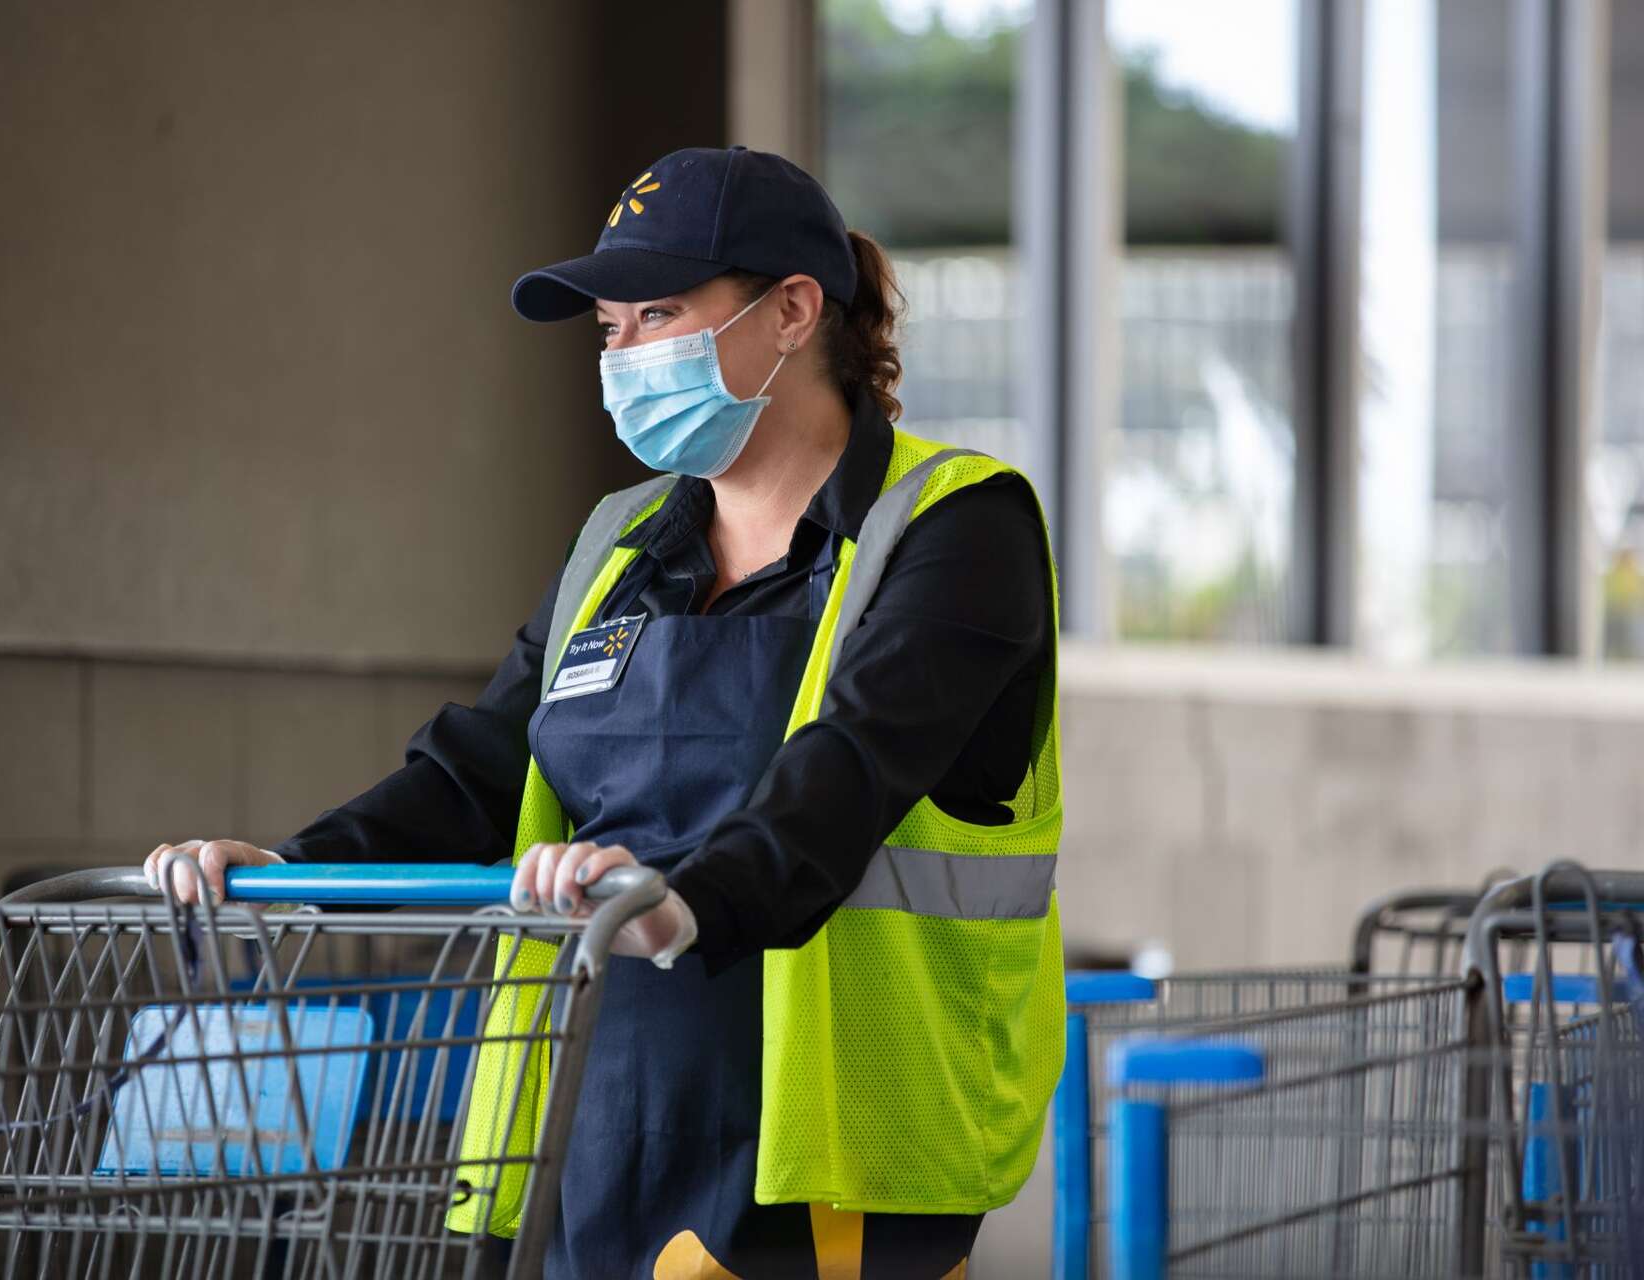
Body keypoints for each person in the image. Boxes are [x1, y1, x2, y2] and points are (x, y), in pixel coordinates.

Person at [146, 145, 1066, 1279]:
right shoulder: (622, 544)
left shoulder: (955, 527)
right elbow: (481, 768)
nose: (625, 354)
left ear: (790, 310)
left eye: (660, 314)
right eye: (609, 329)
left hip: (822, 1158)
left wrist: (681, 901)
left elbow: (853, 769)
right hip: (588, 1120)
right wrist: (291, 868)